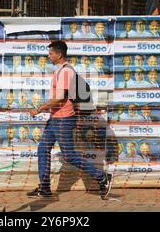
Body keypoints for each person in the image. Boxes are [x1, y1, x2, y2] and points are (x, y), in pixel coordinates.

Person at [27, 40, 111, 198]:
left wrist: (39, 109)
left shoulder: (66, 72)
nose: (48, 56)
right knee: (43, 149)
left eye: (50, 53)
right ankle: (44, 187)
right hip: (55, 119)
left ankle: (102, 177)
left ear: (59, 55)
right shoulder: (60, 71)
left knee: (69, 155)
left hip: (63, 119)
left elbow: (59, 98)